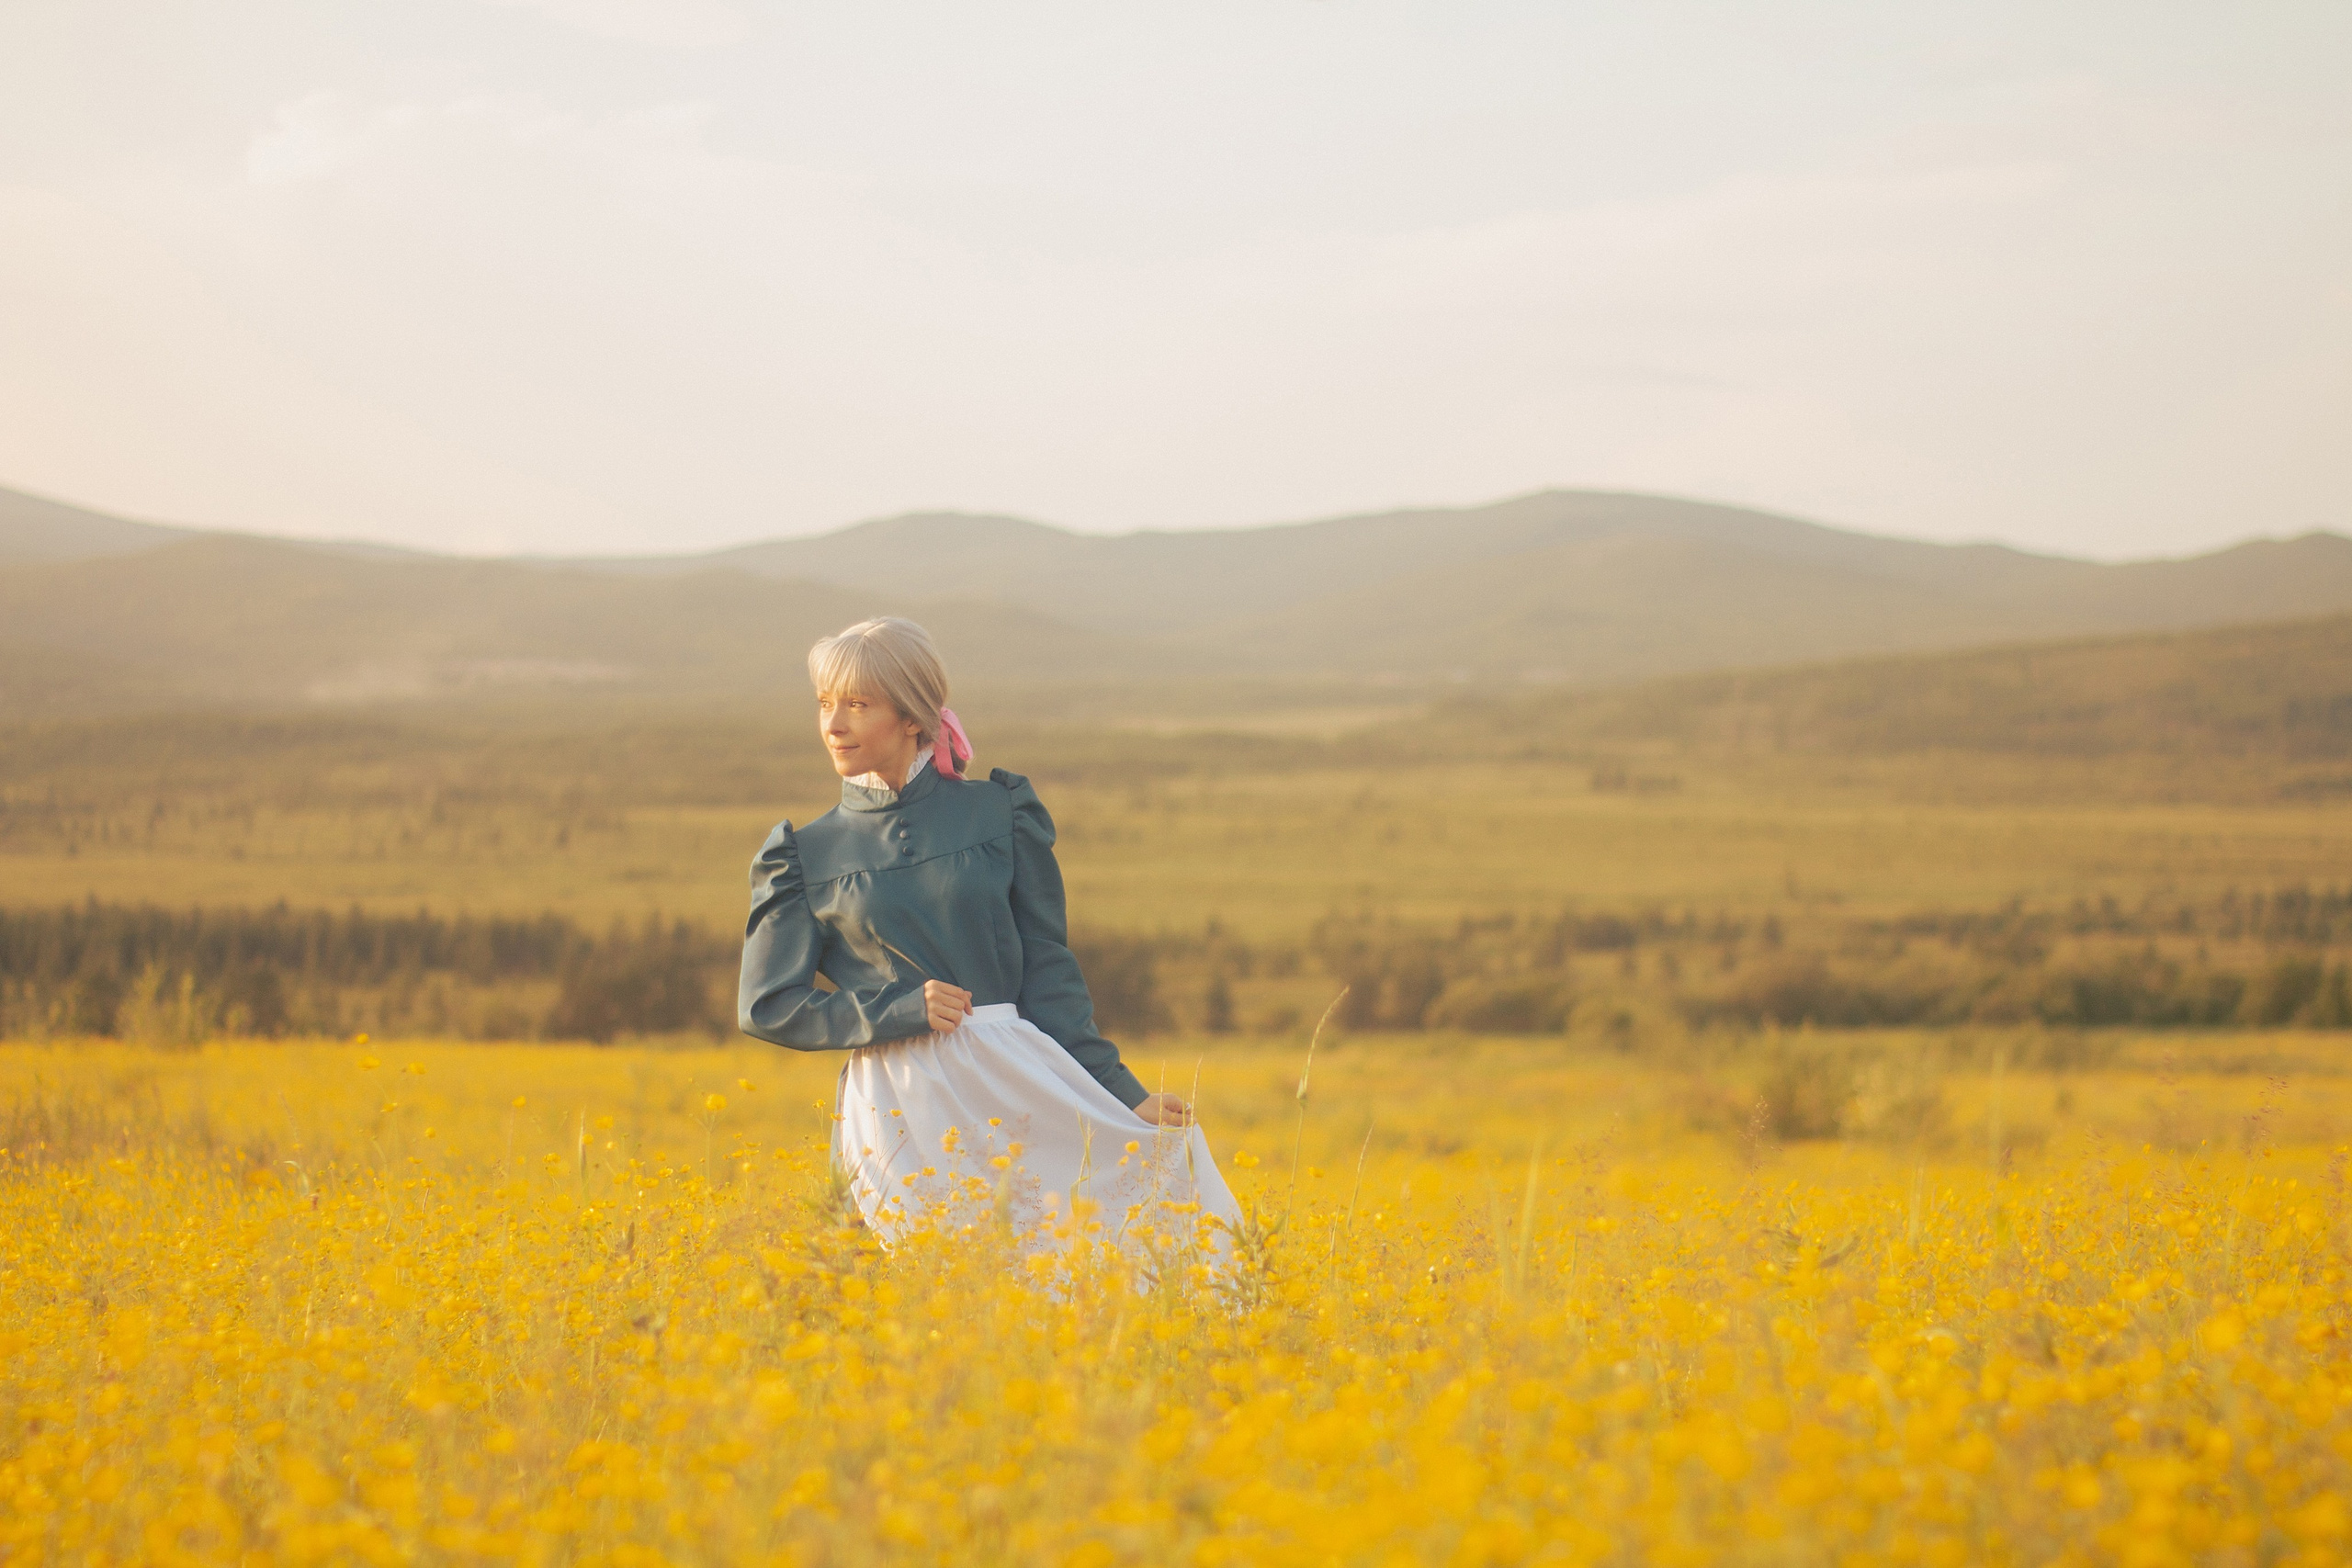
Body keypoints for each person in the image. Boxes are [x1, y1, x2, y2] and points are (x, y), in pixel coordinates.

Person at [737, 616, 1240, 1251]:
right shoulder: (803, 854)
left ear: (913, 716)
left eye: (858, 705)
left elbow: (1049, 971)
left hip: (1019, 1084)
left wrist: (1120, 1093)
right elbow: (766, 1005)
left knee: (1077, 1260)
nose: (833, 724)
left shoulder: (1000, 812)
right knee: (925, 1288)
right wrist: (897, 1010)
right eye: (824, 704)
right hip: (898, 1102)